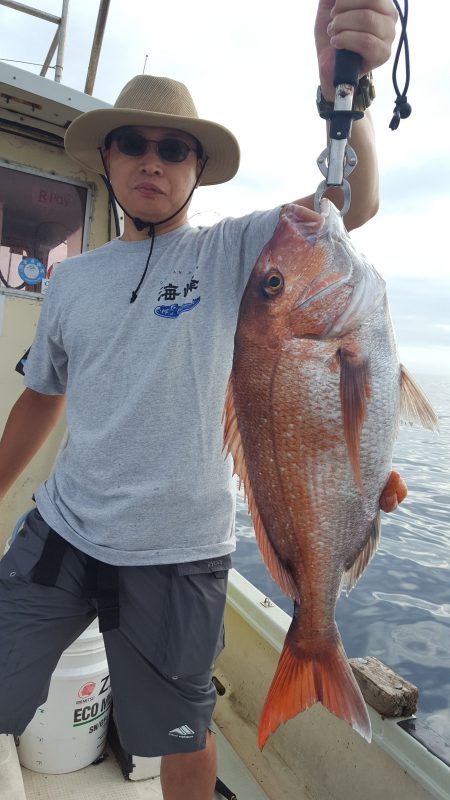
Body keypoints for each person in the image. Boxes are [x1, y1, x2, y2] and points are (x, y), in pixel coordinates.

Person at [0, 2, 405, 798]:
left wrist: (343, 93)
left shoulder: (233, 253)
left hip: (179, 551)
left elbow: (347, 205)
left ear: (197, 166)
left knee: (182, 737)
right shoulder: (73, 280)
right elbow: (41, 398)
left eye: (173, 147)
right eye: (132, 143)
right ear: (108, 159)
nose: (151, 160)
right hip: (64, 529)